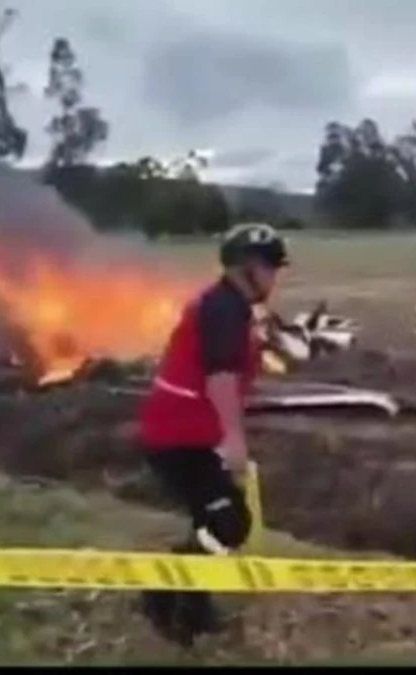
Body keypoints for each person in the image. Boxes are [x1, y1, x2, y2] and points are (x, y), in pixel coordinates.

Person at [135, 223, 289, 647]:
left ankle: (187, 607)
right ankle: (163, 599)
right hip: (177, 439)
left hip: (190, 435)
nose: (276, 277)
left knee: (213, 522)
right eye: (271, 268)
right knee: (229, 522)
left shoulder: (231, 307)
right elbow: (220, 378)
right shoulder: (222, 308)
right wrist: (233, 440)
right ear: (247, 268)